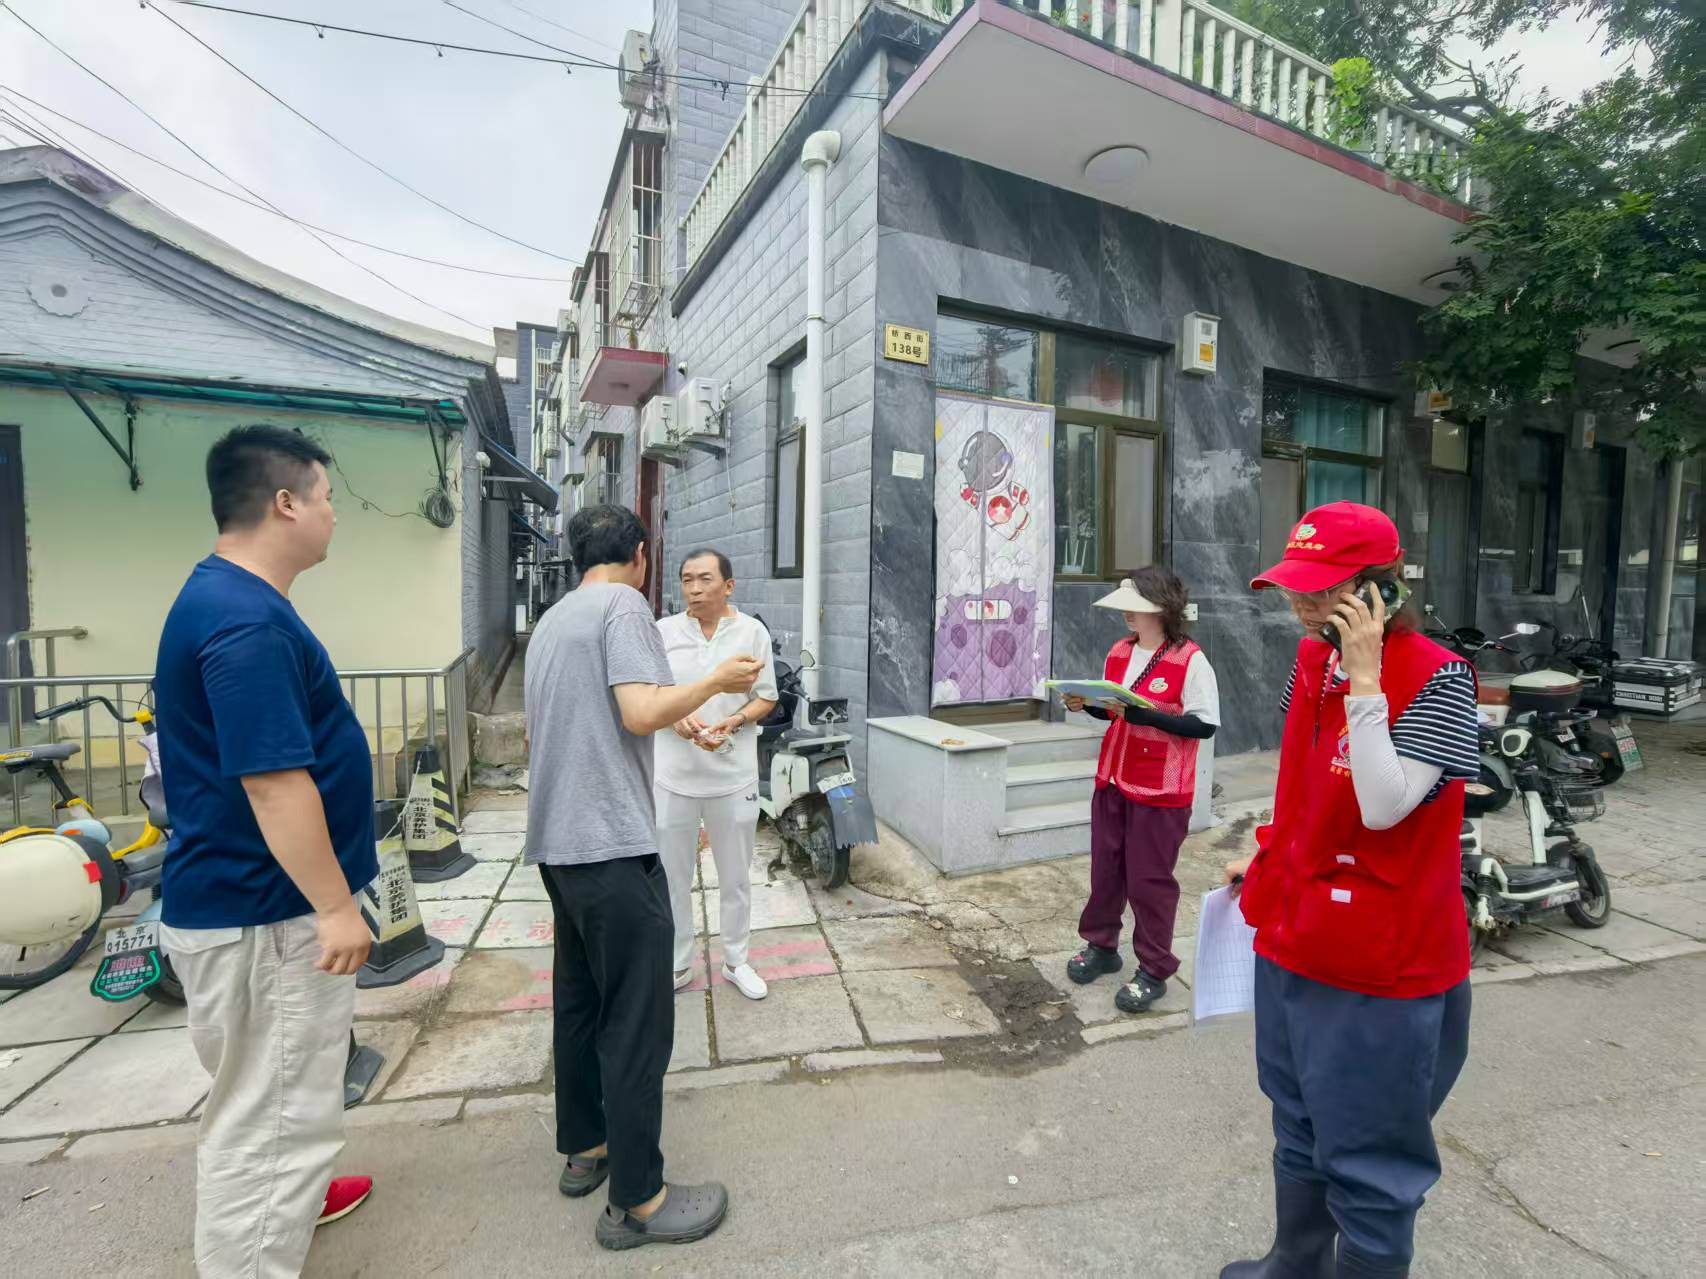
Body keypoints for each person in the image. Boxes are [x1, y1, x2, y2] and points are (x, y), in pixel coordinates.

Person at [1221, 501, 1478, 1279]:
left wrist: (1366, 681)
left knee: (1371, 1163)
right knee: (1295, 1119)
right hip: (1295, 934)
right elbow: (1303, 782)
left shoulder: (1439, 676)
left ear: (1381, 589)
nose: (1302, 604)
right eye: (1295, 587)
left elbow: (1382, 804)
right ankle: (1294, 1262)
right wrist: (1269, 853)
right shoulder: (1311, 661)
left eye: (1322, 589)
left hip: (1380, 965)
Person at [154, 425, 375, 1277]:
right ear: (285, 502)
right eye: (326, 498)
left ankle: (299, 1196)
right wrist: (335, 905)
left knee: (274, 1091)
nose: (333, 515)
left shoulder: (227, 599)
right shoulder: (246, 621)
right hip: (266, 913)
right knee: (269, 1117)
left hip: (249, 903)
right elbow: (275, 784)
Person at [524, 503, 761, 1251]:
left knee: (580, 1004)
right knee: (636, 1020)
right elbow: (638, 711)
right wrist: (716, 680)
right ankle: (639, 1200)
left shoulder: (553, 620)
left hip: (558, 844)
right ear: (639, 554)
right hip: (611, 844)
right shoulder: (623, 605)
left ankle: (586, 1147)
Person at [1061, 567, 1219, 1013]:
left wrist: (1146, 716)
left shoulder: (1191, 660)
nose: (1129, 615)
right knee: (1105, 871)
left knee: (1149, 881)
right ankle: (1101, 946)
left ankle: (1153, 967)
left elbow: (1204, 725)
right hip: (1112, 779)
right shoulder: (1119, 650)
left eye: (1137, 607)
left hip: (1161, 790)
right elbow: (1112, 712)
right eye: (1126, 608)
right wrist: (1086, 704)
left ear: (1163, 608)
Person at [654, 549, 779, 1001]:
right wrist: (674, 717)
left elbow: (767, 696)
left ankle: (736, 960)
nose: (694, 589)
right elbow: (650, 692)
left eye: (705, 579)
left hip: (733, 775)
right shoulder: (663, 632)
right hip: (673, 775)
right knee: (671, 878)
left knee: (736, 877)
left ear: (728, 585)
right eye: (687, 579)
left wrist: (736, 720)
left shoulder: (752, 633)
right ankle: (676, 963)